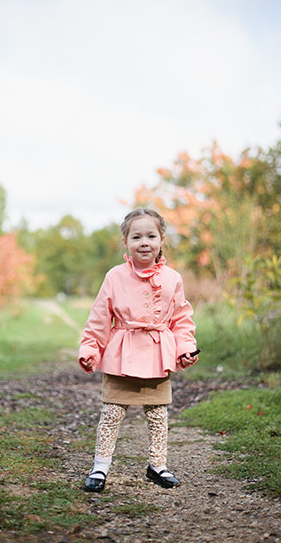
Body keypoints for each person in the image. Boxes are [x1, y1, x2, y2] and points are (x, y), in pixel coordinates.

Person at [78, 208, 198, 493]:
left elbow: (181, 319)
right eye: (136, 237)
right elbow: (98, 317)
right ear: (126, 242)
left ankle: (157, 466)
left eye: (151, 235)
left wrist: (185, 348)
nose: (144, 242)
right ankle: (100, 466)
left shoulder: (172, 278)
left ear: (161, 240)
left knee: (158, 414)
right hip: (122, 355)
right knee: (111, 413)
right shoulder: (115, 277)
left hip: (157, 355)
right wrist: (91, 349)